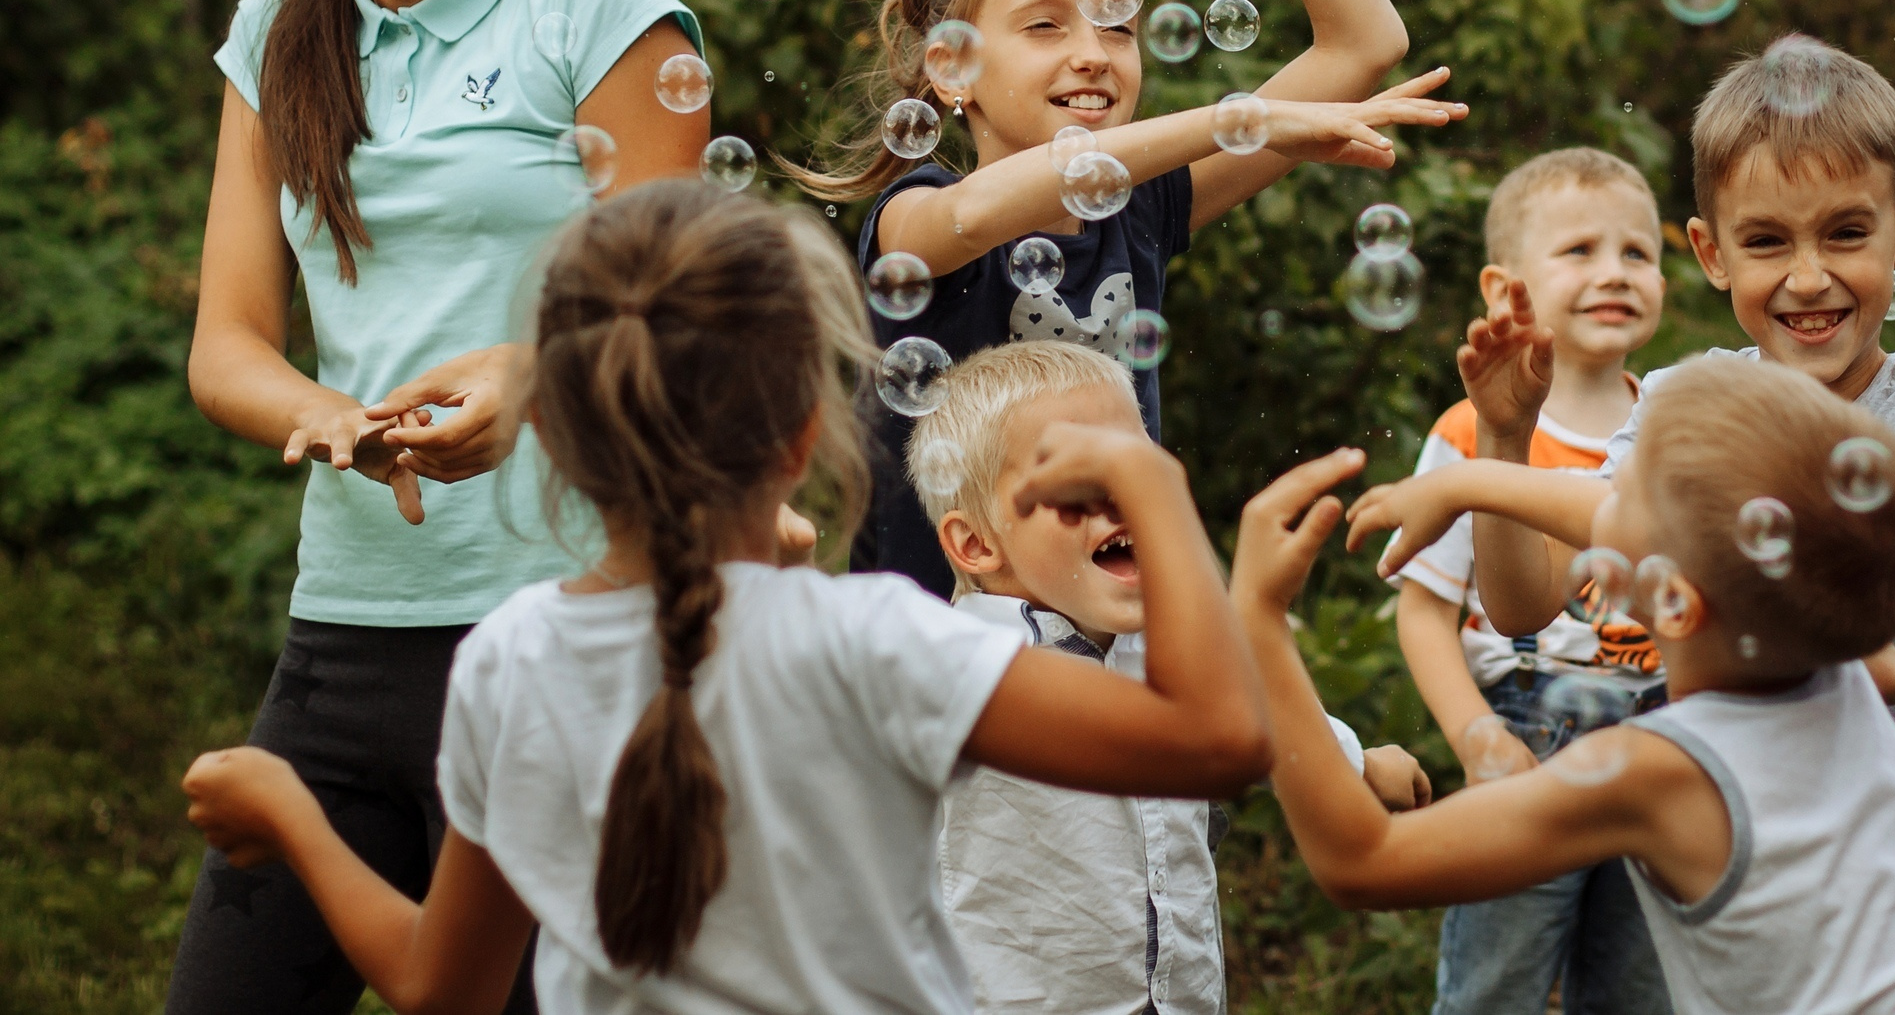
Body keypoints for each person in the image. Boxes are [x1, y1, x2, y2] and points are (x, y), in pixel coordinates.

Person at [179, 180, 1276, 1015]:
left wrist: (293, 816)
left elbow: (442, 988)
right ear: (807, 436)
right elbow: (1218, 741)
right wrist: (1149, 483)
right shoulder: (876, 643)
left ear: (552, 440)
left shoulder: (512, 661)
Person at [170, 0, 710, 1015]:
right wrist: (330, 416)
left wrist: (531, 378)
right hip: (346, 628)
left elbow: (681, 306)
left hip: (570, 613)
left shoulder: (595, 2)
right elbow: (229, 343)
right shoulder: (277, 33)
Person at [1352, 35, 1895, 1015]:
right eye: (1768, 241)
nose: (1808, 278)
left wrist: (1889, 670)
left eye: (1846, 235)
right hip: (1739, 866)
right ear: (1709, 251)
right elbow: (1529, 603)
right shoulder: (1688, 401)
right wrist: (1501, 449)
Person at [800, 0, 1465, 592]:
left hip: (1104, 637)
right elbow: (978, 210)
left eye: (1117, 22)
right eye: (1045, 25)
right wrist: (1249, 121)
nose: (1092, 50)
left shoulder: (1138, 207)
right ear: (951, 68)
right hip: (926, 670)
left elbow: (1364, 42)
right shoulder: (915, 219)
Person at [1239, 358, 1895, 1014]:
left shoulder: (1659, 771)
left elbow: (1361, 860)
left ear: (1669, 598)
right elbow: (1638, 530)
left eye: (1622, 488)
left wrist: (1260, 623)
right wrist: (1466, 479)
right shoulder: (1824, 655)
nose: (1595, 496)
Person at [911, 340, 1430, 1015]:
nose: (1122, 498)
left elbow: (1248, 717)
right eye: (1077, 480)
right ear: (978, 542)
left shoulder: (1176, 642)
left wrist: (1350, 759)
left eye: (1134, 469)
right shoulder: (952, 663)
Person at [1388, 148, 1674, 1015]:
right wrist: (1477, 736)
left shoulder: (1676, 427)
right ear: (1502, 287)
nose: (1613, 272)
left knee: (1644, 983)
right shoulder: (1472, 433)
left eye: (1638, 252)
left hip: (1667, 733)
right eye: (1579, 250)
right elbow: (1425, 613)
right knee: (1496, 985)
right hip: (1530, 728)